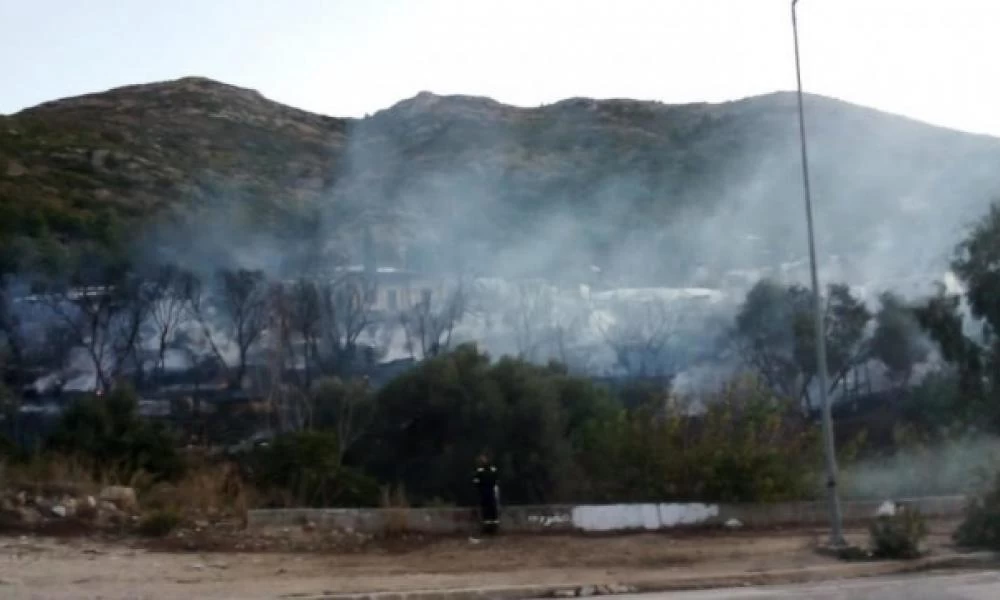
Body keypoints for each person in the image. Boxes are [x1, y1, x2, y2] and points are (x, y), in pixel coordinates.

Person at [473, 454, 500, 534]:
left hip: (491, 492)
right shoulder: (479, 471)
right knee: (485, 510)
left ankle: (494, 528)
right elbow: (476, 481)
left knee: (492, 509)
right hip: (484, 492)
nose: (483, 460)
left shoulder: (493, 469)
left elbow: (496, 480)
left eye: (484, 459)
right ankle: (486, 528)